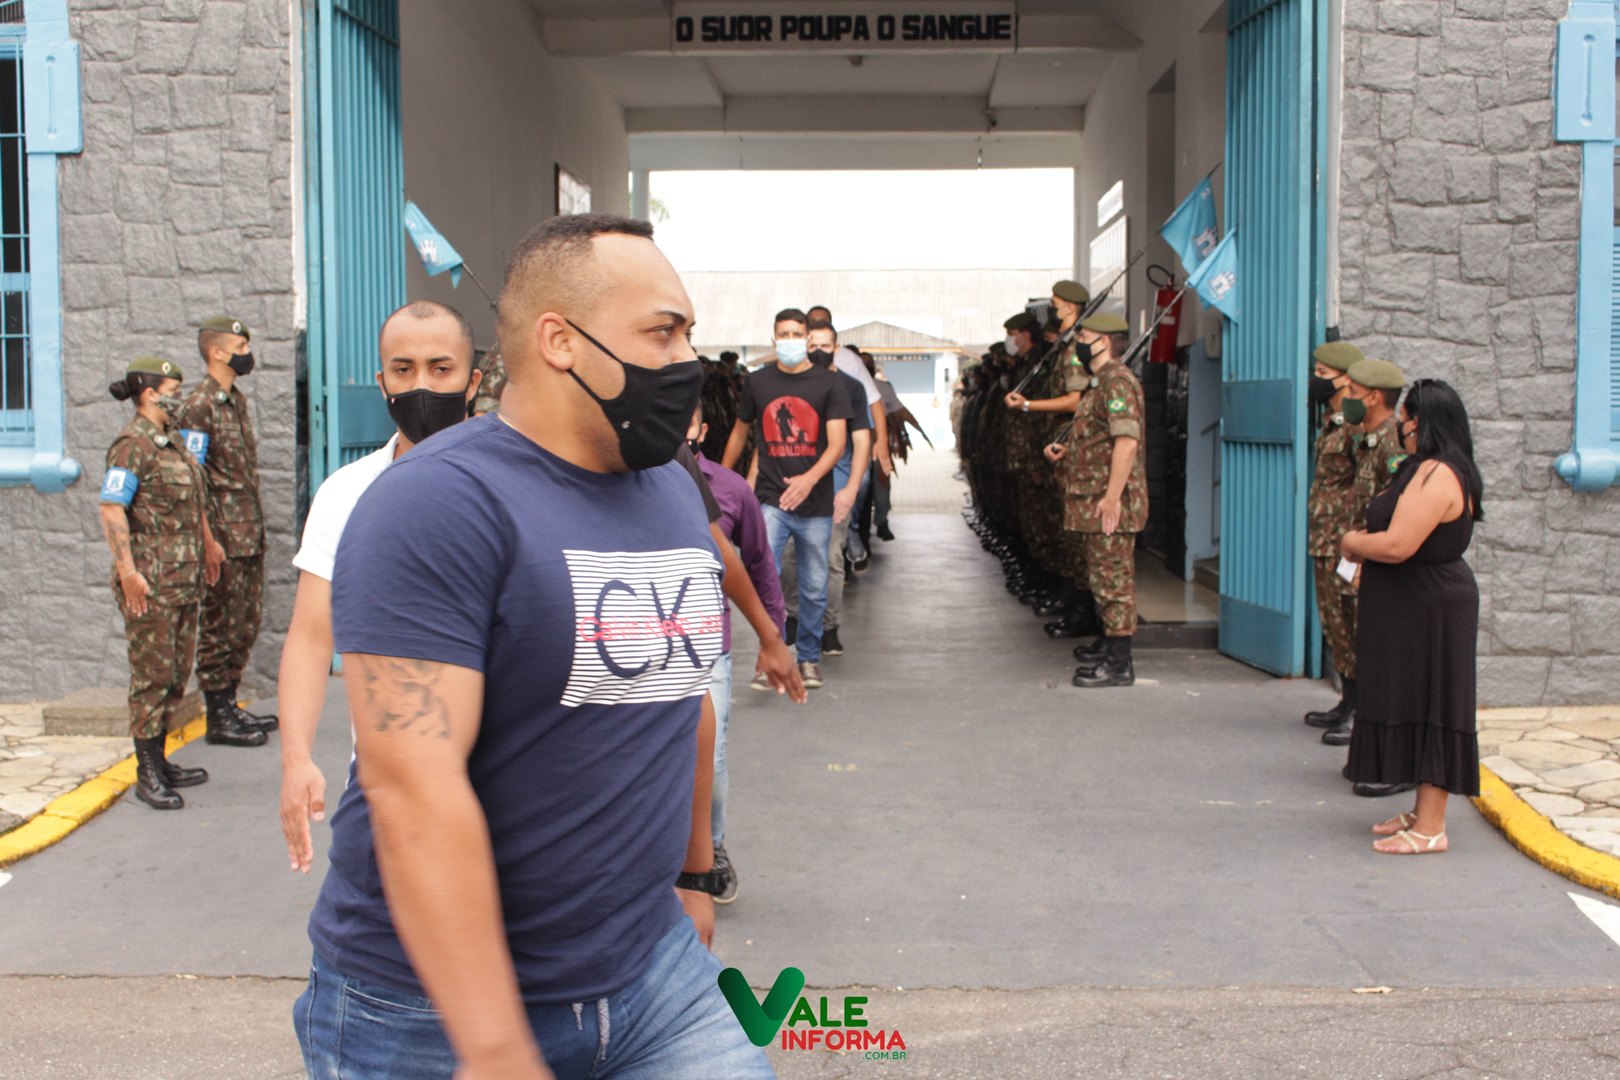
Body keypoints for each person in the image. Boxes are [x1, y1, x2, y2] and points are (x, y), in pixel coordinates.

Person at [295, 213, 773, 1079]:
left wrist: (694, 878)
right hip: (429, 1010)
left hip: (654, 972)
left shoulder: (669, 489)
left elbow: (684, 699)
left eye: (687, 335)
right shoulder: (434, 504)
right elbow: (412, 788)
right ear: (560, 341)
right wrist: (492, 1045)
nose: (686, 361)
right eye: (662, 332)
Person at [278, 300, 483, 873]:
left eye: (441, 369)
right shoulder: (345, 494)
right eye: (403, 369)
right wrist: (296, 759)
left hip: (507, 788)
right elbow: (311, 635)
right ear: (382, 382)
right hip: (385, 793)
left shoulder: (519, 483)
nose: (421, 386)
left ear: (473, 381)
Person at [1341, 378, 1483, 854]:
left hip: (1432, 609)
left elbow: (1399, 545)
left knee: (1434, 704)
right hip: (1411, 607)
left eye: (1403, 419)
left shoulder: (1438, 474)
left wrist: (1351, 544)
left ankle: (1431, 828)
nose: (1399, 428)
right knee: (1414, 701)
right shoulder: (1423, 468)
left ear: (1418, 423)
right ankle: (1423, 812)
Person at [98, 356, 221, 810]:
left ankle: (161, 760)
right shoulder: (133, 445)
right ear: (149, 394)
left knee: (174, 675)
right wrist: (128, 572)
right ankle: (147, 771)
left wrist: (209, 544)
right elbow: (112, 509)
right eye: (172, 391)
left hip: (183, 579)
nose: (179, 398)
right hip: (151, 583)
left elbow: (194, 502)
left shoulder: (173, 443)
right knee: (152, 677)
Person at [688, 399, 788, 906]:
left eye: (684, 421)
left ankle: (712, 850)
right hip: (643, 642)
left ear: (702, 430)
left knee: (711, 757)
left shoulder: (729, 490)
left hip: (709, 648)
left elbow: (757, 562)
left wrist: (774, 636)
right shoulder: (624, 481)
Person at [722, 308, 852, 691]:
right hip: (771, 498)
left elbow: (837, 443)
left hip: (815, 503)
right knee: (765, 578)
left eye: (797, 334)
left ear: (808, 339)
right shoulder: (758, 382)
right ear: (774, 338)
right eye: (784, 334)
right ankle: (771, 655)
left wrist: (809, 480)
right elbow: (740, 432)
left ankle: (808, 659)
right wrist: (719, 478)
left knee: (813, 586)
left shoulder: (830, 385)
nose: (790, 340)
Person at [176, 316, 274, 748]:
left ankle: (229, 704)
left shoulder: (235, 401)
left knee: (245, 623)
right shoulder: (199, 406)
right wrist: (207, 541)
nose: (246, 353)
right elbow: (191, 478)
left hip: (247, 533)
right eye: (240, 347)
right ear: (216, 352)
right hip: (222, 537)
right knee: (220, 624)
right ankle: (217, 715)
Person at [1043, 312, 1146, 689]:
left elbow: (1126, 442)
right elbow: (1100, 441)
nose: (1078, 346)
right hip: (1092, 500)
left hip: (1107, 503)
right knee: (1101, 578)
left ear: (1103, 342)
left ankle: (1119, 663)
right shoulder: (1100, 383)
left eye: (1083, 338)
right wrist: (1068, 451)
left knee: (1113, 581)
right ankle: (1109, 645)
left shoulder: (1117, 382)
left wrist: (1113, 498)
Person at [1321, 358, 1410, 764]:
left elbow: (1393, 513)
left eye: (1354, 393)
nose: (1347, 400)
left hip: (1373, 560)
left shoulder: (1392, 445)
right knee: (1345, 630)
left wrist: (1366, 558)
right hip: (1355, 553)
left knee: (1368, 639)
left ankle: (1366, 716)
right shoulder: (1368, 438)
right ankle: (1351, 704)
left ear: (1374, 397)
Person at [776, 319, 870, 659]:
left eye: (825, 346)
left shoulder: (851, 388)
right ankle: (794, 618)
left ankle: (829, 628)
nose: (817, 351)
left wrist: (852, 488)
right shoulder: (788, 385)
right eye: (812, 345)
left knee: (830, 559)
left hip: (834, 489)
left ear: (836, 348)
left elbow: (862, 442)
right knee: (789, 557)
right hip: (792, 488)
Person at [1303, 341, 1366, 735]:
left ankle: (1363, 711)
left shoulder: (1357, 426)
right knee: (1335, 625)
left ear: (1345, 378)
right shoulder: (1331, 420)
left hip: (1346, 542)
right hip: (1325, 541)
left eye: (1323, 374)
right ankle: (1347, 701)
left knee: (1353, 624)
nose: (1315, 380)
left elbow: (1368, 483)